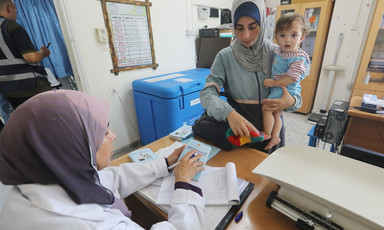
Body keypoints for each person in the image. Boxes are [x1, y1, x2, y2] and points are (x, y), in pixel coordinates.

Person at [0, 90, 205, 230]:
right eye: (103, 132)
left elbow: (106, 178)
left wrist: (165, 163)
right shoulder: (88, 225)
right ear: (71, 147)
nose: (113, 135)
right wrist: (184, 183)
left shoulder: (40, 182)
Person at [199, 0, 302, 152]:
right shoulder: (225, 56)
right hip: (242, 135)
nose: (246, 35)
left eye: (253, 27)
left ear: (262, 22)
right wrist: (228, 113)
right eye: (239, 28)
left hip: (273, 134)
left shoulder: (278, 53)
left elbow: (297, 94)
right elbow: (207, 93)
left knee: (267, 174)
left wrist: (290, 101)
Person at [262, 12, 310, 149]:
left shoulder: (298, 57)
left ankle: (267, 133)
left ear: (302, 37)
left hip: (284, 89)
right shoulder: (279, 51)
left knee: (266, 109)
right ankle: (275, 137)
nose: (287, 40)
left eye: (293, 35)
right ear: (276, 37)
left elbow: (291, 78)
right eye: (283, 35)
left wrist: (273, 83)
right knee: (276, 114)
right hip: (279, 88)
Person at [0, 0, 51, 110]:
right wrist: (43, 53)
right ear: (9, 8)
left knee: (29, 123)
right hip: (31, 87)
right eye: (16, 11)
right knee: (54, 120)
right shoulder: (10, 25)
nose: (16, 15)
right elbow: (31, 57)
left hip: (8, 91)